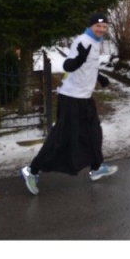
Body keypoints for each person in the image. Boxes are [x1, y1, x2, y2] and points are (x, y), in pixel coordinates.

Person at [20, 13, 117, 195]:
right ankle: (31, 171)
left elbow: (88, 66)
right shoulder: (82, 41)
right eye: (98, 26)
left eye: (104, 27)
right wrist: (79, 59)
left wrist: (99, 76)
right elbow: (68, 66)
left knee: (94, 132)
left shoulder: (95, 42)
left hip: (84, 97)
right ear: (91, 26)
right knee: (60, 138)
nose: (101, 29)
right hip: (71, 97)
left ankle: (96, 168)